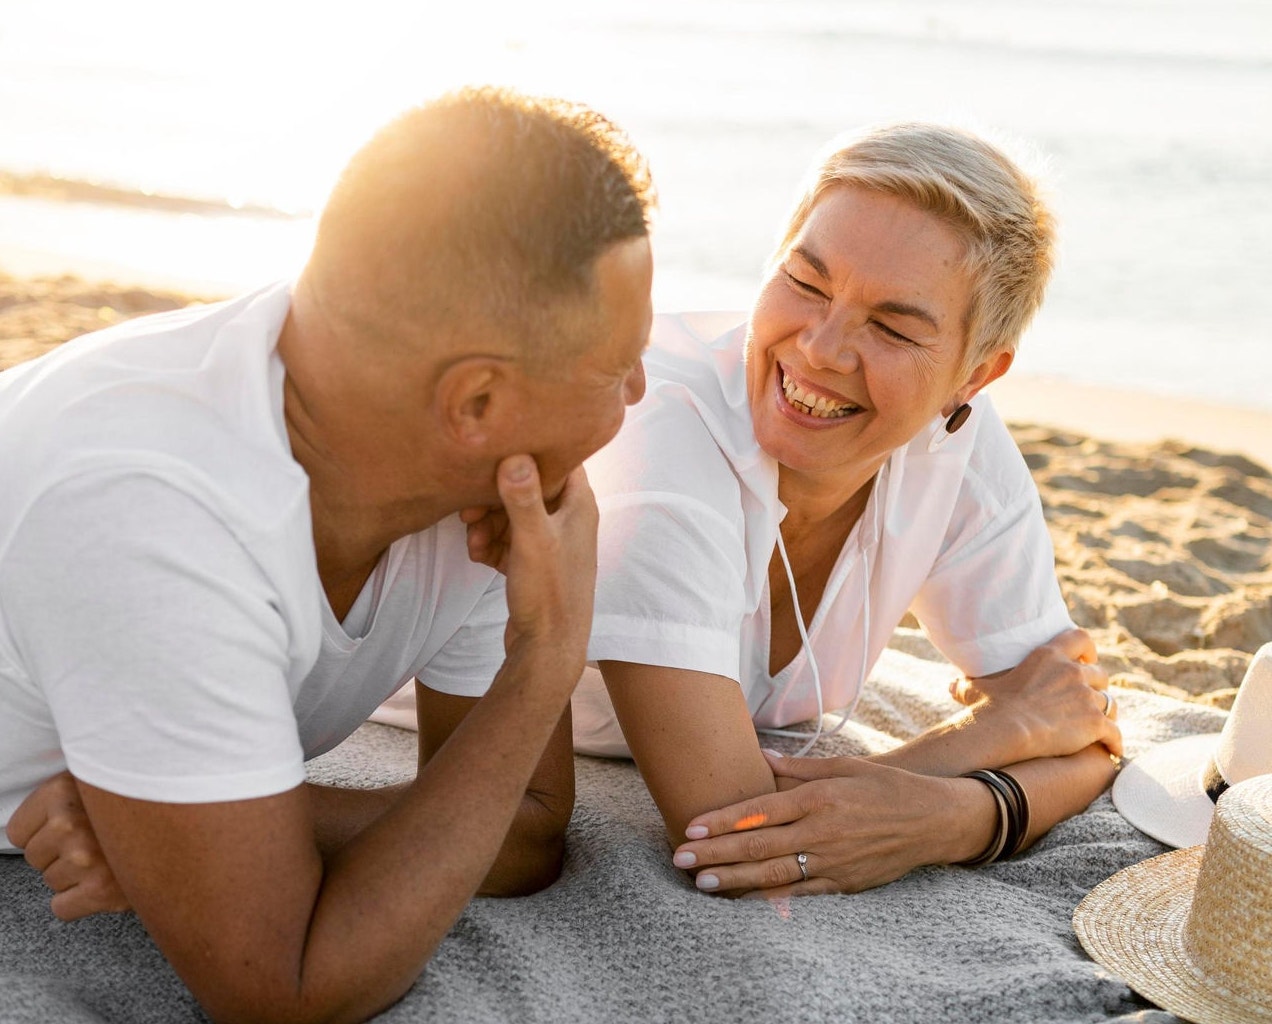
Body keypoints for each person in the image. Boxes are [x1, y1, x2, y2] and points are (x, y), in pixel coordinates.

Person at [0, 87, 654, 1023]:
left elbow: (521, 832)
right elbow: (286, 992)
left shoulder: (479, 494)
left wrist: (188, 829)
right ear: (474, 406)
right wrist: (548, 653)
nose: (639, 386)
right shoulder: (150, 510)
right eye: (617, 363)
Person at [567, 123, 1123, 897]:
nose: (821, 348)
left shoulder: (955, 446)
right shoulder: (663, 427)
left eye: (892, 327)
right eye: (805, 282)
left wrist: (959, 804)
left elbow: (1086, 725)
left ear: (975, 374)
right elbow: (730, 827)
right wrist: (990, 748)